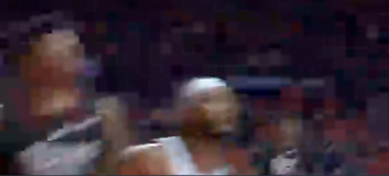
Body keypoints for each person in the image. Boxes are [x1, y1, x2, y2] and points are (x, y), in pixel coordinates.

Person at [0, 14, 131, 175]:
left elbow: (121, 166)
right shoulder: (10, 122)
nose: (73, 53)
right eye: (62, 48)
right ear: (29, 63)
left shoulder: (104, 115)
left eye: (76, 49)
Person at [118, 78, 251, 175]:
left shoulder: (239, 164)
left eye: (229, 102)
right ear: (185, 110)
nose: (224, 109)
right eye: (208, 100)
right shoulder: (147, 157)